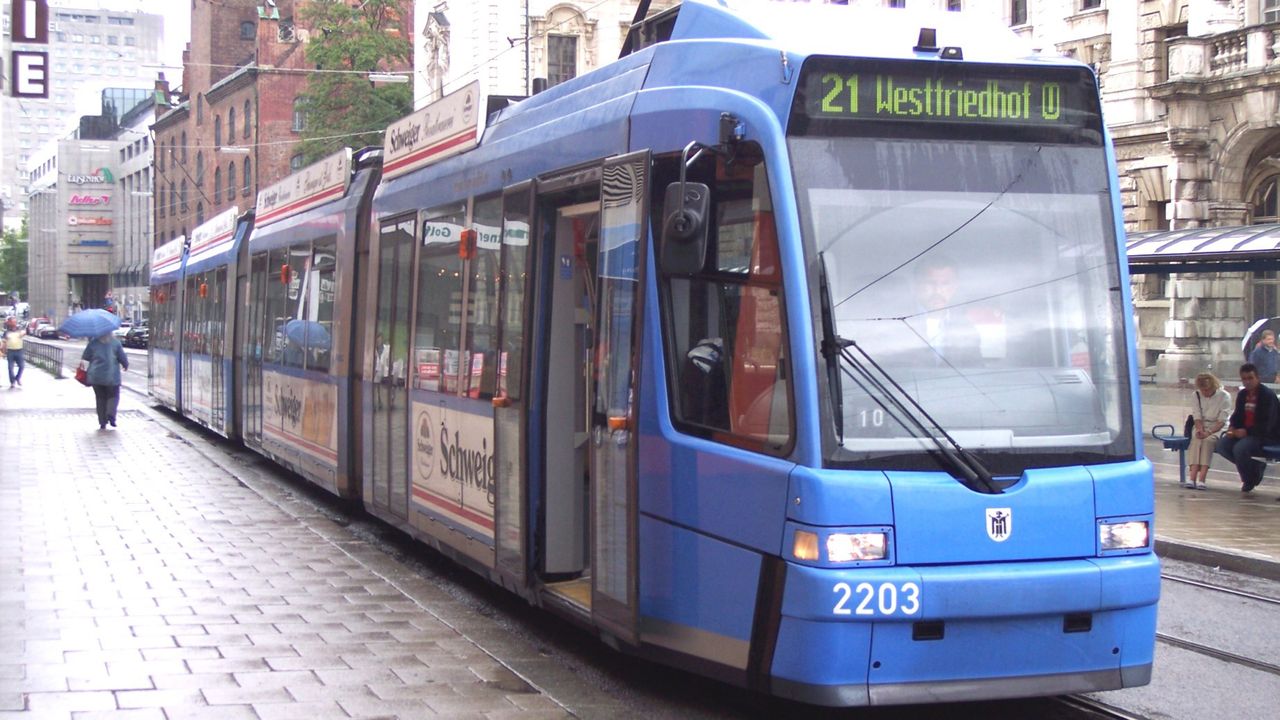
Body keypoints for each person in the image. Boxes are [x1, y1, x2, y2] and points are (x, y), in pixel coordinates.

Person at [1215, 363, 1280, 492]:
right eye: (1244, 379)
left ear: (1257, 378)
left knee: (1240, 448)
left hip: (1263, 435)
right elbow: (1237, 414)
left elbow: (1268, 423)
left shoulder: (1267, 396)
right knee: (1222, 445)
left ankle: (1249, 480)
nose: (1247, 382)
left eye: (1250, 378)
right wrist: (1232, 427)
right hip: (1243, 432)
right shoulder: (1243, 395)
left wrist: (1246, 432)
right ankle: (1255, 467)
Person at [912, 255, 981, 365]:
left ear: (955, 286)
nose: (938, 290)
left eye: (945, 283)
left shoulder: (965, 328)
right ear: (916, 285)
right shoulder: (892, 325)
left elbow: (976, 373)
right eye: (930, 283)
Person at [1186, 372, 1231, 490]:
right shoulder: (1196, 395)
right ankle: (1192, 477)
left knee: (1208, 441)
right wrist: (1200, 430)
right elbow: (1197, 416)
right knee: (1196, 440)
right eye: (1202, 390)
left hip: (1217, 427)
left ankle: (1202, 478)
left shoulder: (1224, 396)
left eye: (1207, 390)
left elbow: (1222, 420)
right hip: (1201, 424)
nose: (1205, 393)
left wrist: (1209, 432)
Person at [81, 331, 129, 430]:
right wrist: (125, 365)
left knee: (100, 398)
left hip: (96, 376)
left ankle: (102, 422)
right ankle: (111, 414)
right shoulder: (115, 343)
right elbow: (122, 357)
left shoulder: (93, 343)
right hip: (111, 376)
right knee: (113, 396)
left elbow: (86, 356)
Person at [1, 316, 26, 388]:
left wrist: (23, 333)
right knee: (10, 367)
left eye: (15, 321)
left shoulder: (19, 329)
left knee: (21, 366)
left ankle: (17, 378)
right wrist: (3, 350)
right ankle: (12, 382)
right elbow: (4, 342)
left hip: (19, 350)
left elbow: (24, 332)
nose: (14, 323)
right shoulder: (6, 332)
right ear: (10, 323)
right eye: (12, 322)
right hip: (10, 351)